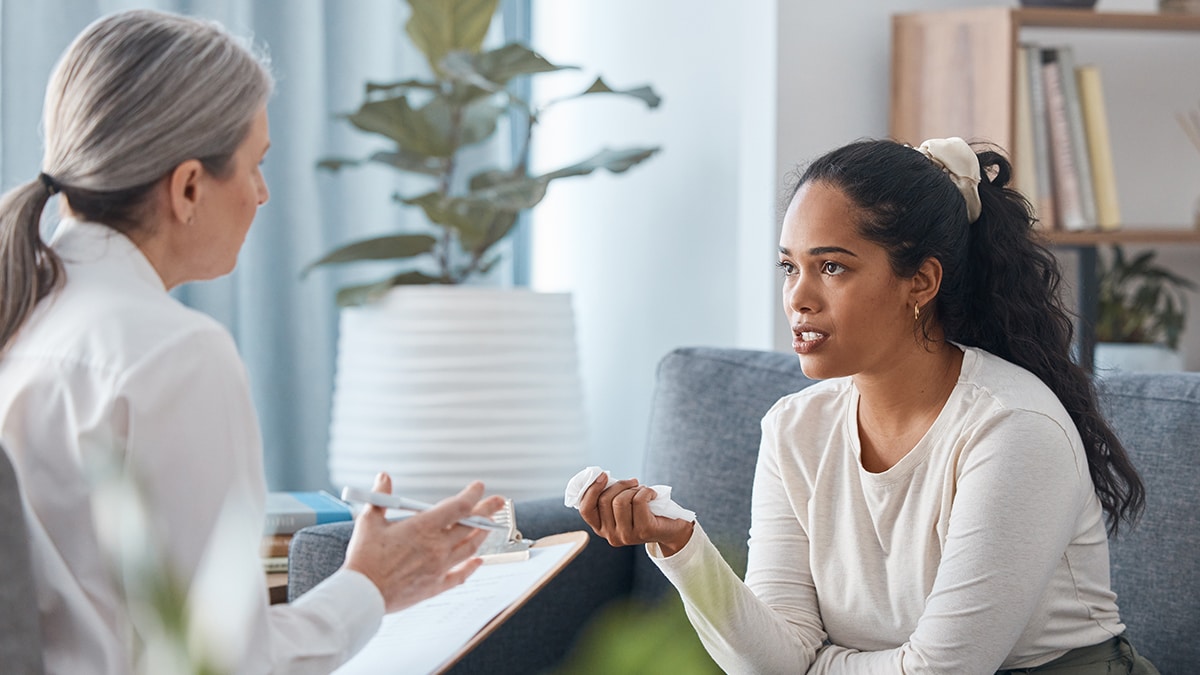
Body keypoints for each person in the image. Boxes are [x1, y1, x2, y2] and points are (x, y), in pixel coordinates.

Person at [0, 9, 504, 674]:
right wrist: (371, 585)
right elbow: (224, 664)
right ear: (187, 187)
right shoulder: (174, 354)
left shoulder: (24, 319)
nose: (263, 194)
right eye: (254, 165)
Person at [578, 137, 1159, 673]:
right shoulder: (795, 428)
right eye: (790, 267)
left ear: (921, 282)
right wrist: (680, 545)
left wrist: (817, 667)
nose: (798, 298)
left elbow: (940, 671)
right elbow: (774, 659)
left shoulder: (1012, 428)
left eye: (831, 267)